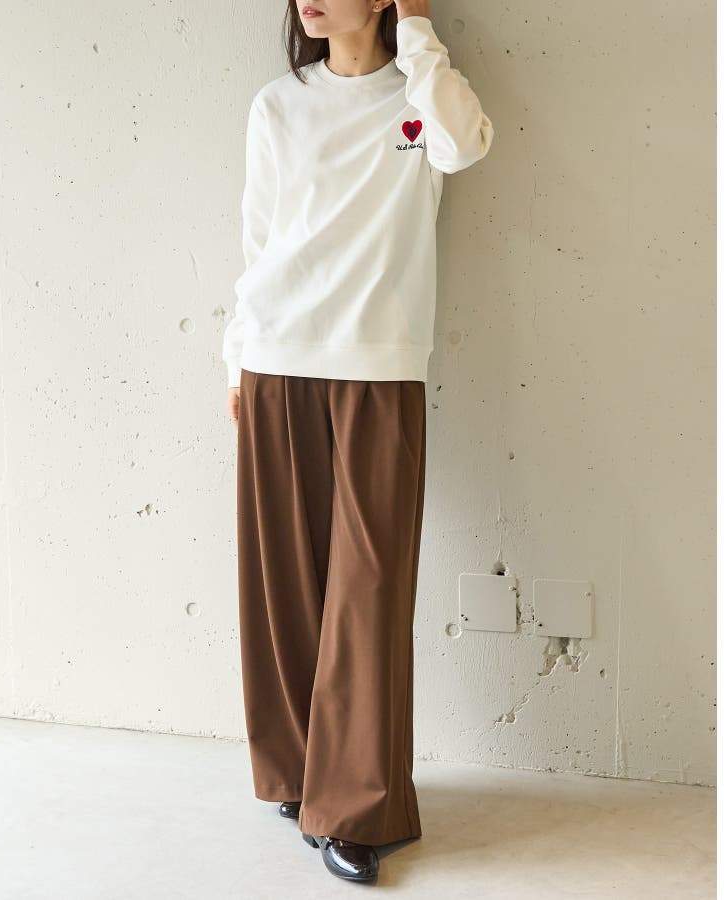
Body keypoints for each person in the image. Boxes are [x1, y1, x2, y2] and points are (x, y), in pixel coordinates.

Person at [222, 0, 493, 885]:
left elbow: (463, 144)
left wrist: (417, 32)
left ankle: (359, 805)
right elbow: (259, 238)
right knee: (284, 584)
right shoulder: (279, 104)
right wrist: (235, 360)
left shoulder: (418, 96)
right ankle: (299, 772)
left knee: (368, 592)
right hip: (275, 359)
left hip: (378, 368)